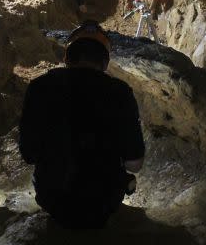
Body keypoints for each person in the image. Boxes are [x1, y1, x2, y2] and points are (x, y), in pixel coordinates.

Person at [19, 21, 145, 228]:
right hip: (103, 203)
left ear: (67, 57)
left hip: (53, 200)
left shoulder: (39, 87)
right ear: (105, 63)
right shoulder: (119, 92)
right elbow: (135, 164)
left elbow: (29, 154)